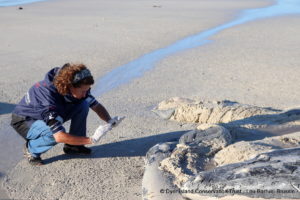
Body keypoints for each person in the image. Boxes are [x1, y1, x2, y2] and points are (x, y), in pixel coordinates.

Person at [10, 63, 123, 165]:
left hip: (49, 114)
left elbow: (95, 105)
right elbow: (59, 136)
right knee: (52, 133)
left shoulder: (73, 84)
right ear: (70, 87)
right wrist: (91, 139)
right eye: (83, 91)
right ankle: (31, 150)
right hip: (25, 121)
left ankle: (73, 147)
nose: (85, 94)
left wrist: (109, 121)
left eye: (87, 90)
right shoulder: (48, 97)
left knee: (83, 104)